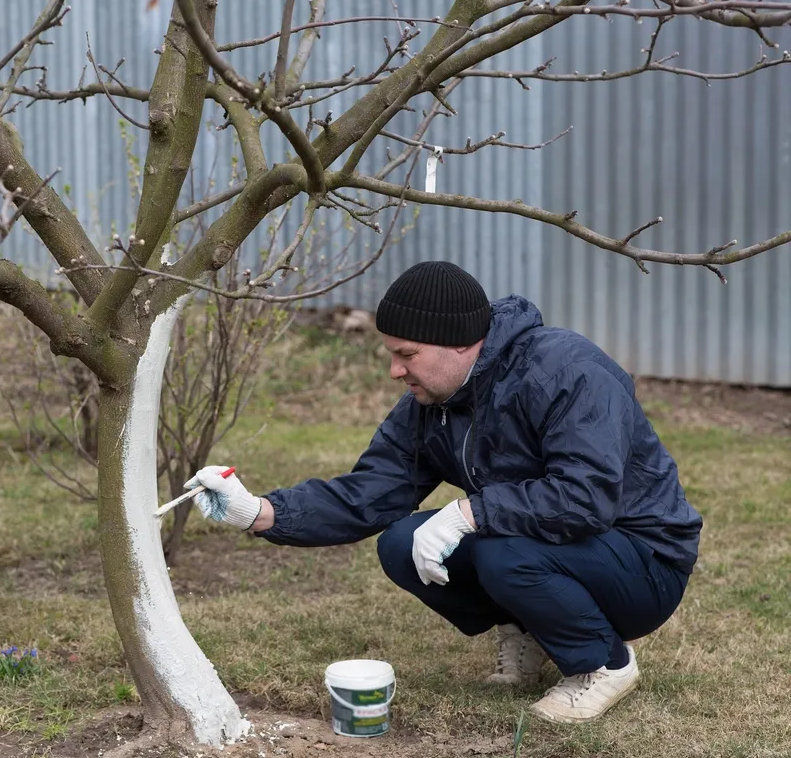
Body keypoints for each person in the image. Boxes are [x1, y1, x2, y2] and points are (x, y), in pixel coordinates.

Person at [185, 260, 701, 725]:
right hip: (555, 548)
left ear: (459, 342)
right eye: (391, 354)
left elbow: (586, 497)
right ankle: (529, 629)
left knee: (501, 551)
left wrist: (467, 512)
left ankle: (603, 664)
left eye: (407, 354)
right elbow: (371, 492)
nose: (395, 371)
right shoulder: (435, 400)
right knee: (400, 543)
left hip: (643, 560)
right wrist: (260, 512)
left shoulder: (566, 370)